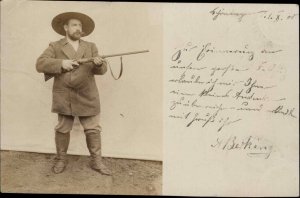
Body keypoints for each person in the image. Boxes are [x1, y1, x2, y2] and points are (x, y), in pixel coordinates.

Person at [36, 12, 111, 175]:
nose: (78, 28)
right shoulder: (55, 46)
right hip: (64, 96)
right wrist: (62, 63)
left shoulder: (90, 46)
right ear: (65, 27)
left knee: (93, 129)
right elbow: (40, 64)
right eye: (74, 25)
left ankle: (97, 161)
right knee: (62, 129)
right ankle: (61, 159)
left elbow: (102, 70)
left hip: (87, 94)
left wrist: (98, 64)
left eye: (80, 26)